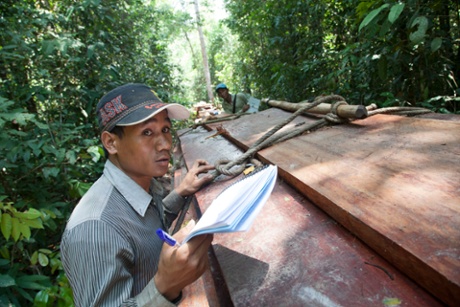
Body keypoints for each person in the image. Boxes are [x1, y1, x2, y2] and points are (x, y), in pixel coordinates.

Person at [61, 83, 215, 306]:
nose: (164, 144)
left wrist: (180, 192)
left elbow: (147, 225)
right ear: (111, 143)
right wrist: (165, 286)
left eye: (165, 130)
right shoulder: (95, 228)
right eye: (147, 132)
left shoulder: (143, 182)